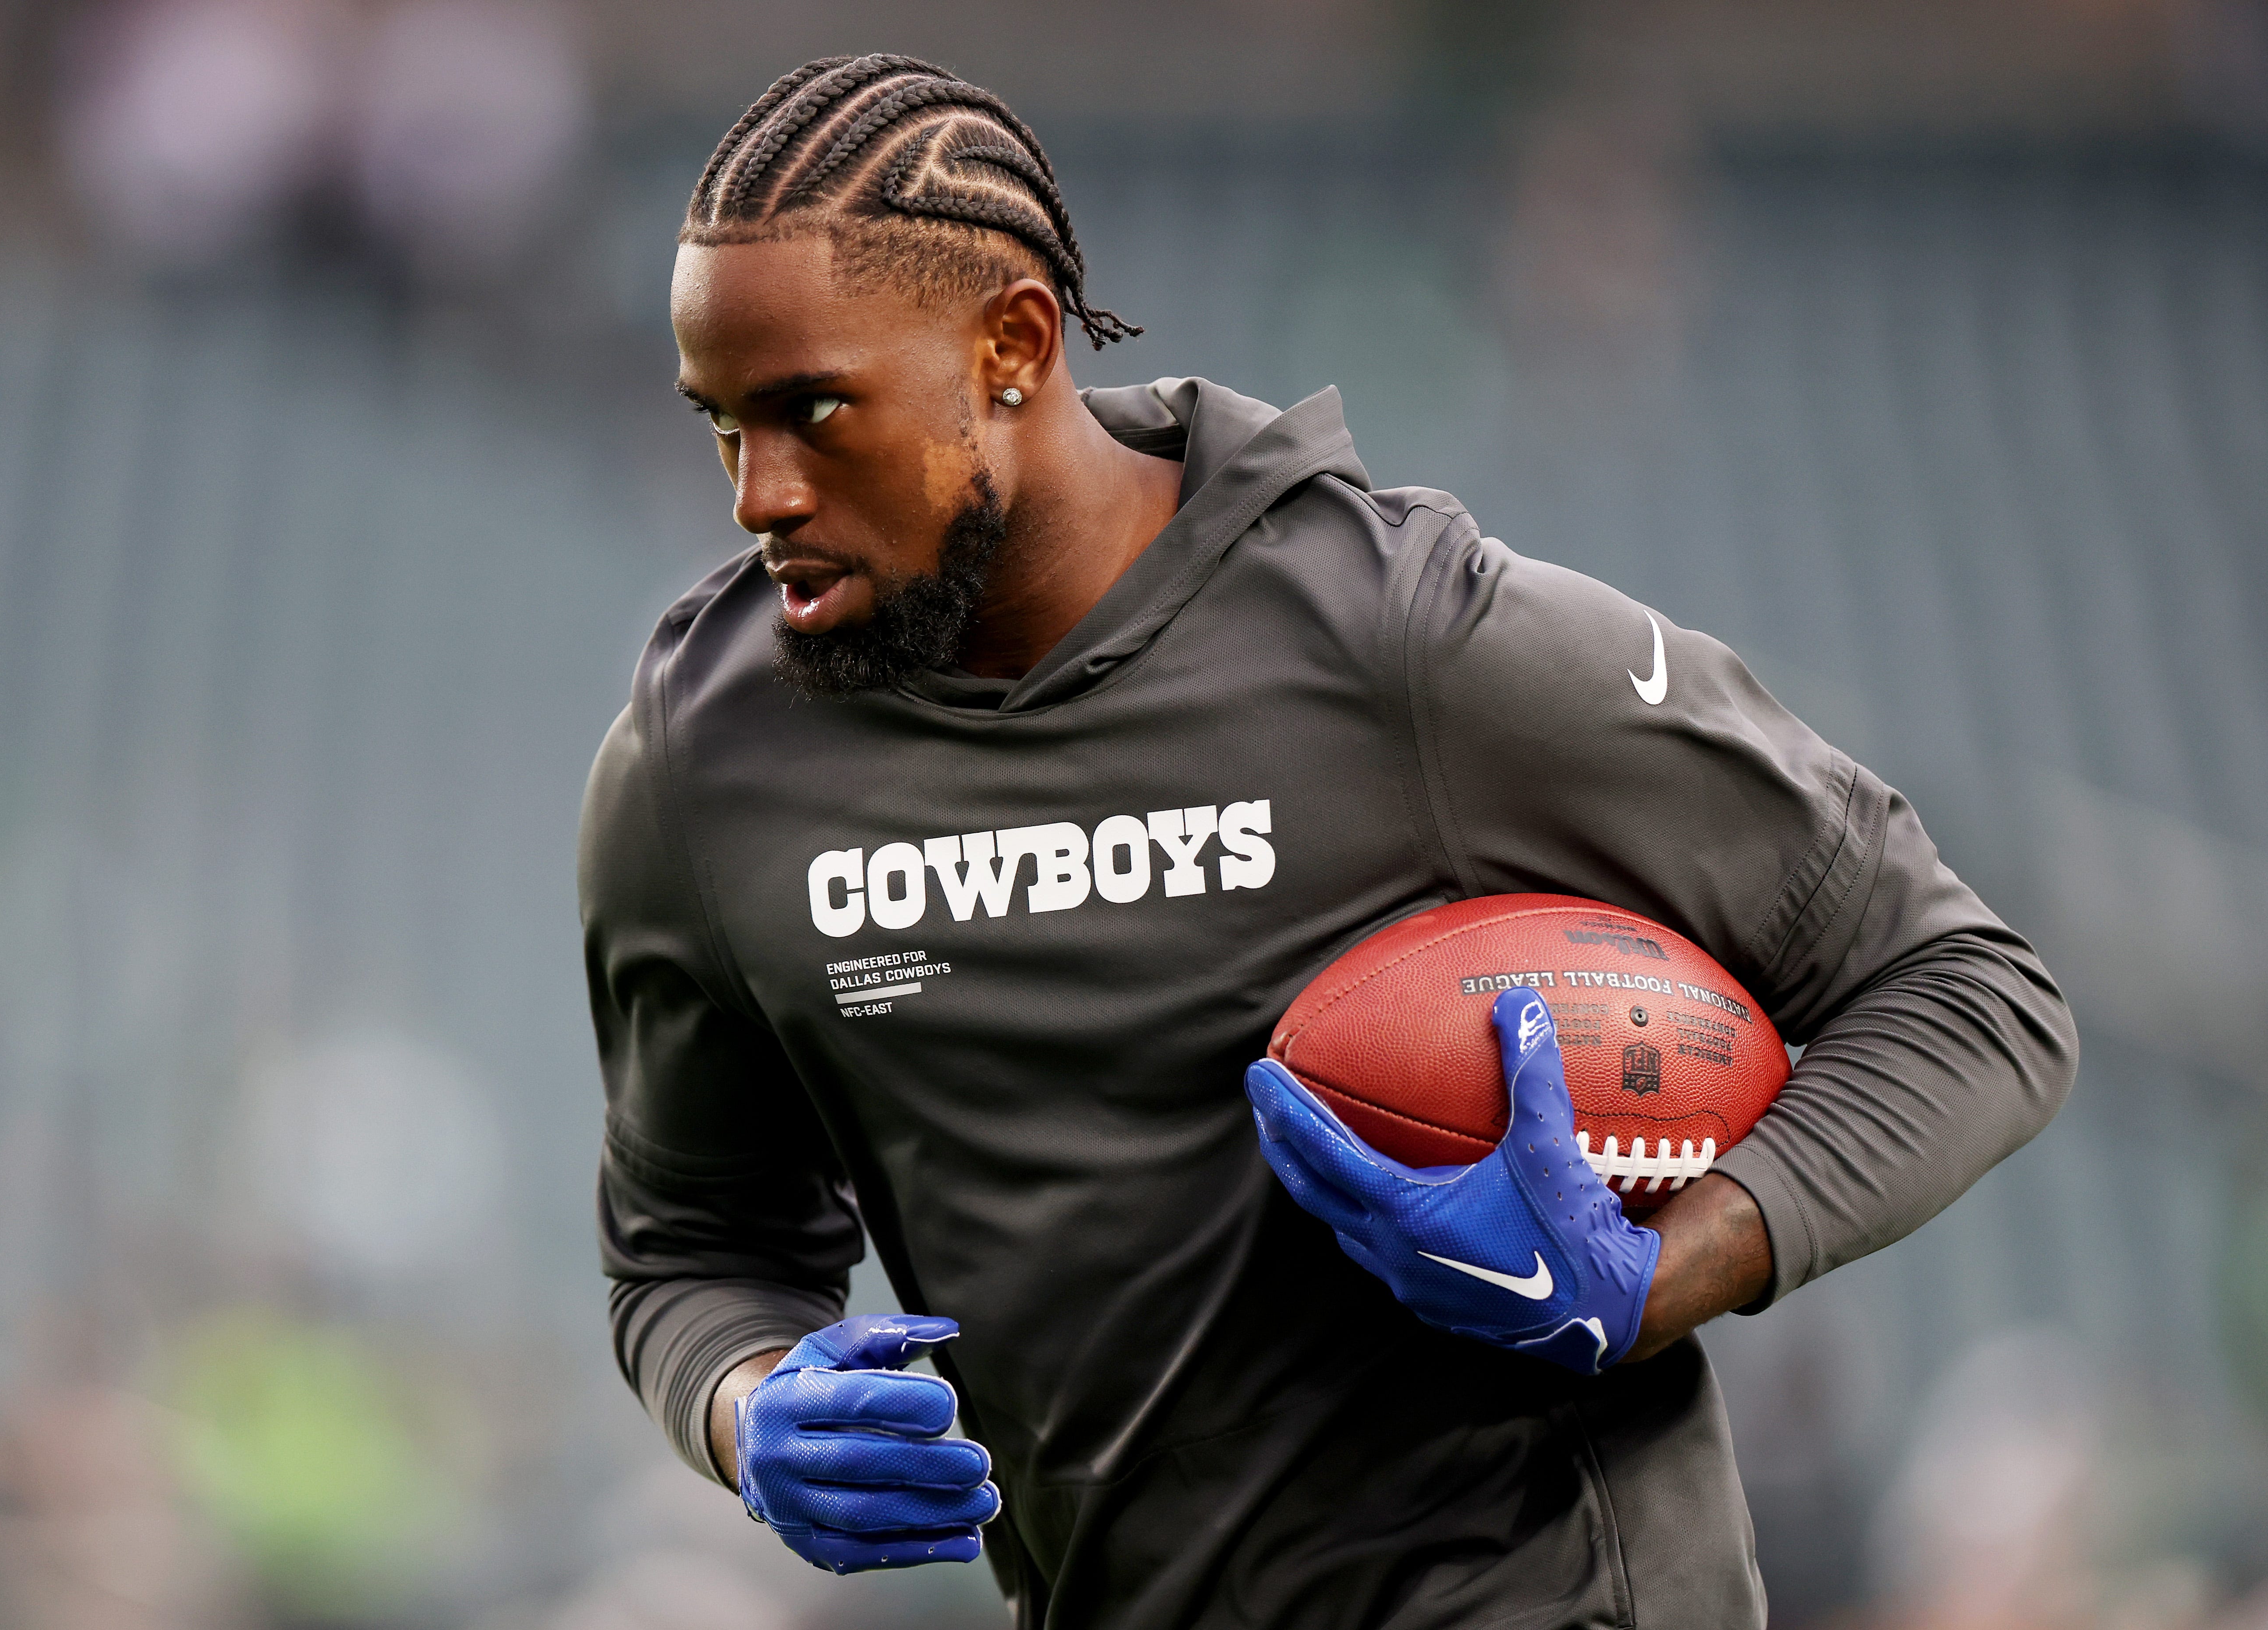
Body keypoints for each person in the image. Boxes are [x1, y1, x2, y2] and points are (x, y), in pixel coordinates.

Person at [579, 54, 2076, 1629]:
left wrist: (1652, 1279)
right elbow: (690, 1248)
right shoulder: (707, 758)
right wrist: (751, 1409)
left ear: (1012, 346)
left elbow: (1969, 989)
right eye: (721, 425)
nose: (757, 493)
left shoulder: (1406, 642)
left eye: (813, 412)